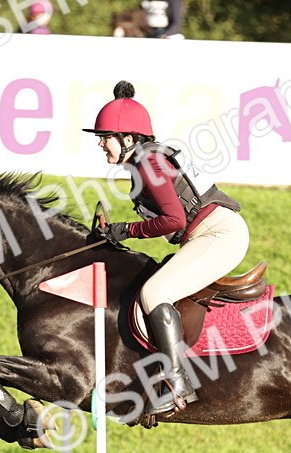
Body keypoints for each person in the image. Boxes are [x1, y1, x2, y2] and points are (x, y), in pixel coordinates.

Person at [83, 80, 248, 415]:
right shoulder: (146, 161)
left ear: (128, 139)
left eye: (105, 137)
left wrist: (125, 230)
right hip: (206, 233)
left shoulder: (150, 164)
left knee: (154, 292)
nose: (101, 144)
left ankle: (175, 384)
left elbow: (172, 221)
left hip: (218, 234)